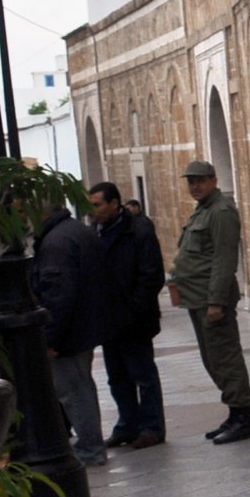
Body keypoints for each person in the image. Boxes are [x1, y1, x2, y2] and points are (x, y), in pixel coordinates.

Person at [169, 159, 250, 444]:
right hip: (196, 298)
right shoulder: (203, 211)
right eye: (191, 181)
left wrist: (217, 302)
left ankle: (244, 416)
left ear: (213, 180)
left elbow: (224, 259)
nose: (194, 186)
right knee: (213, 360)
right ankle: (234, 412)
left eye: (200, 180)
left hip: (211, 300)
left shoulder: (220, 212)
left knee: (225, 357)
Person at [32, 199, 113, 467]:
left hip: (71, 331)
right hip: (84, 325)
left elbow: (58, 293)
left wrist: (50, 337)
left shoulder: (57, 242)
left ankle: (90, 449)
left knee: (74, 391)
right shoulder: (74, 231)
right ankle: (90, 445)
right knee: (80, 387)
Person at [88, 181, 167, 449]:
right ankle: (127, 425)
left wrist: (134, 308)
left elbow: (151, 275)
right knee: (117, 377)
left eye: (98, 205)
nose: (94, 210)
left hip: (135, 318)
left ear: (114, 203)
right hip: (108, 320)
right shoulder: (95, 233)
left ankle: (152, 427)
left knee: (143, 374)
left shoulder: (138, 230)